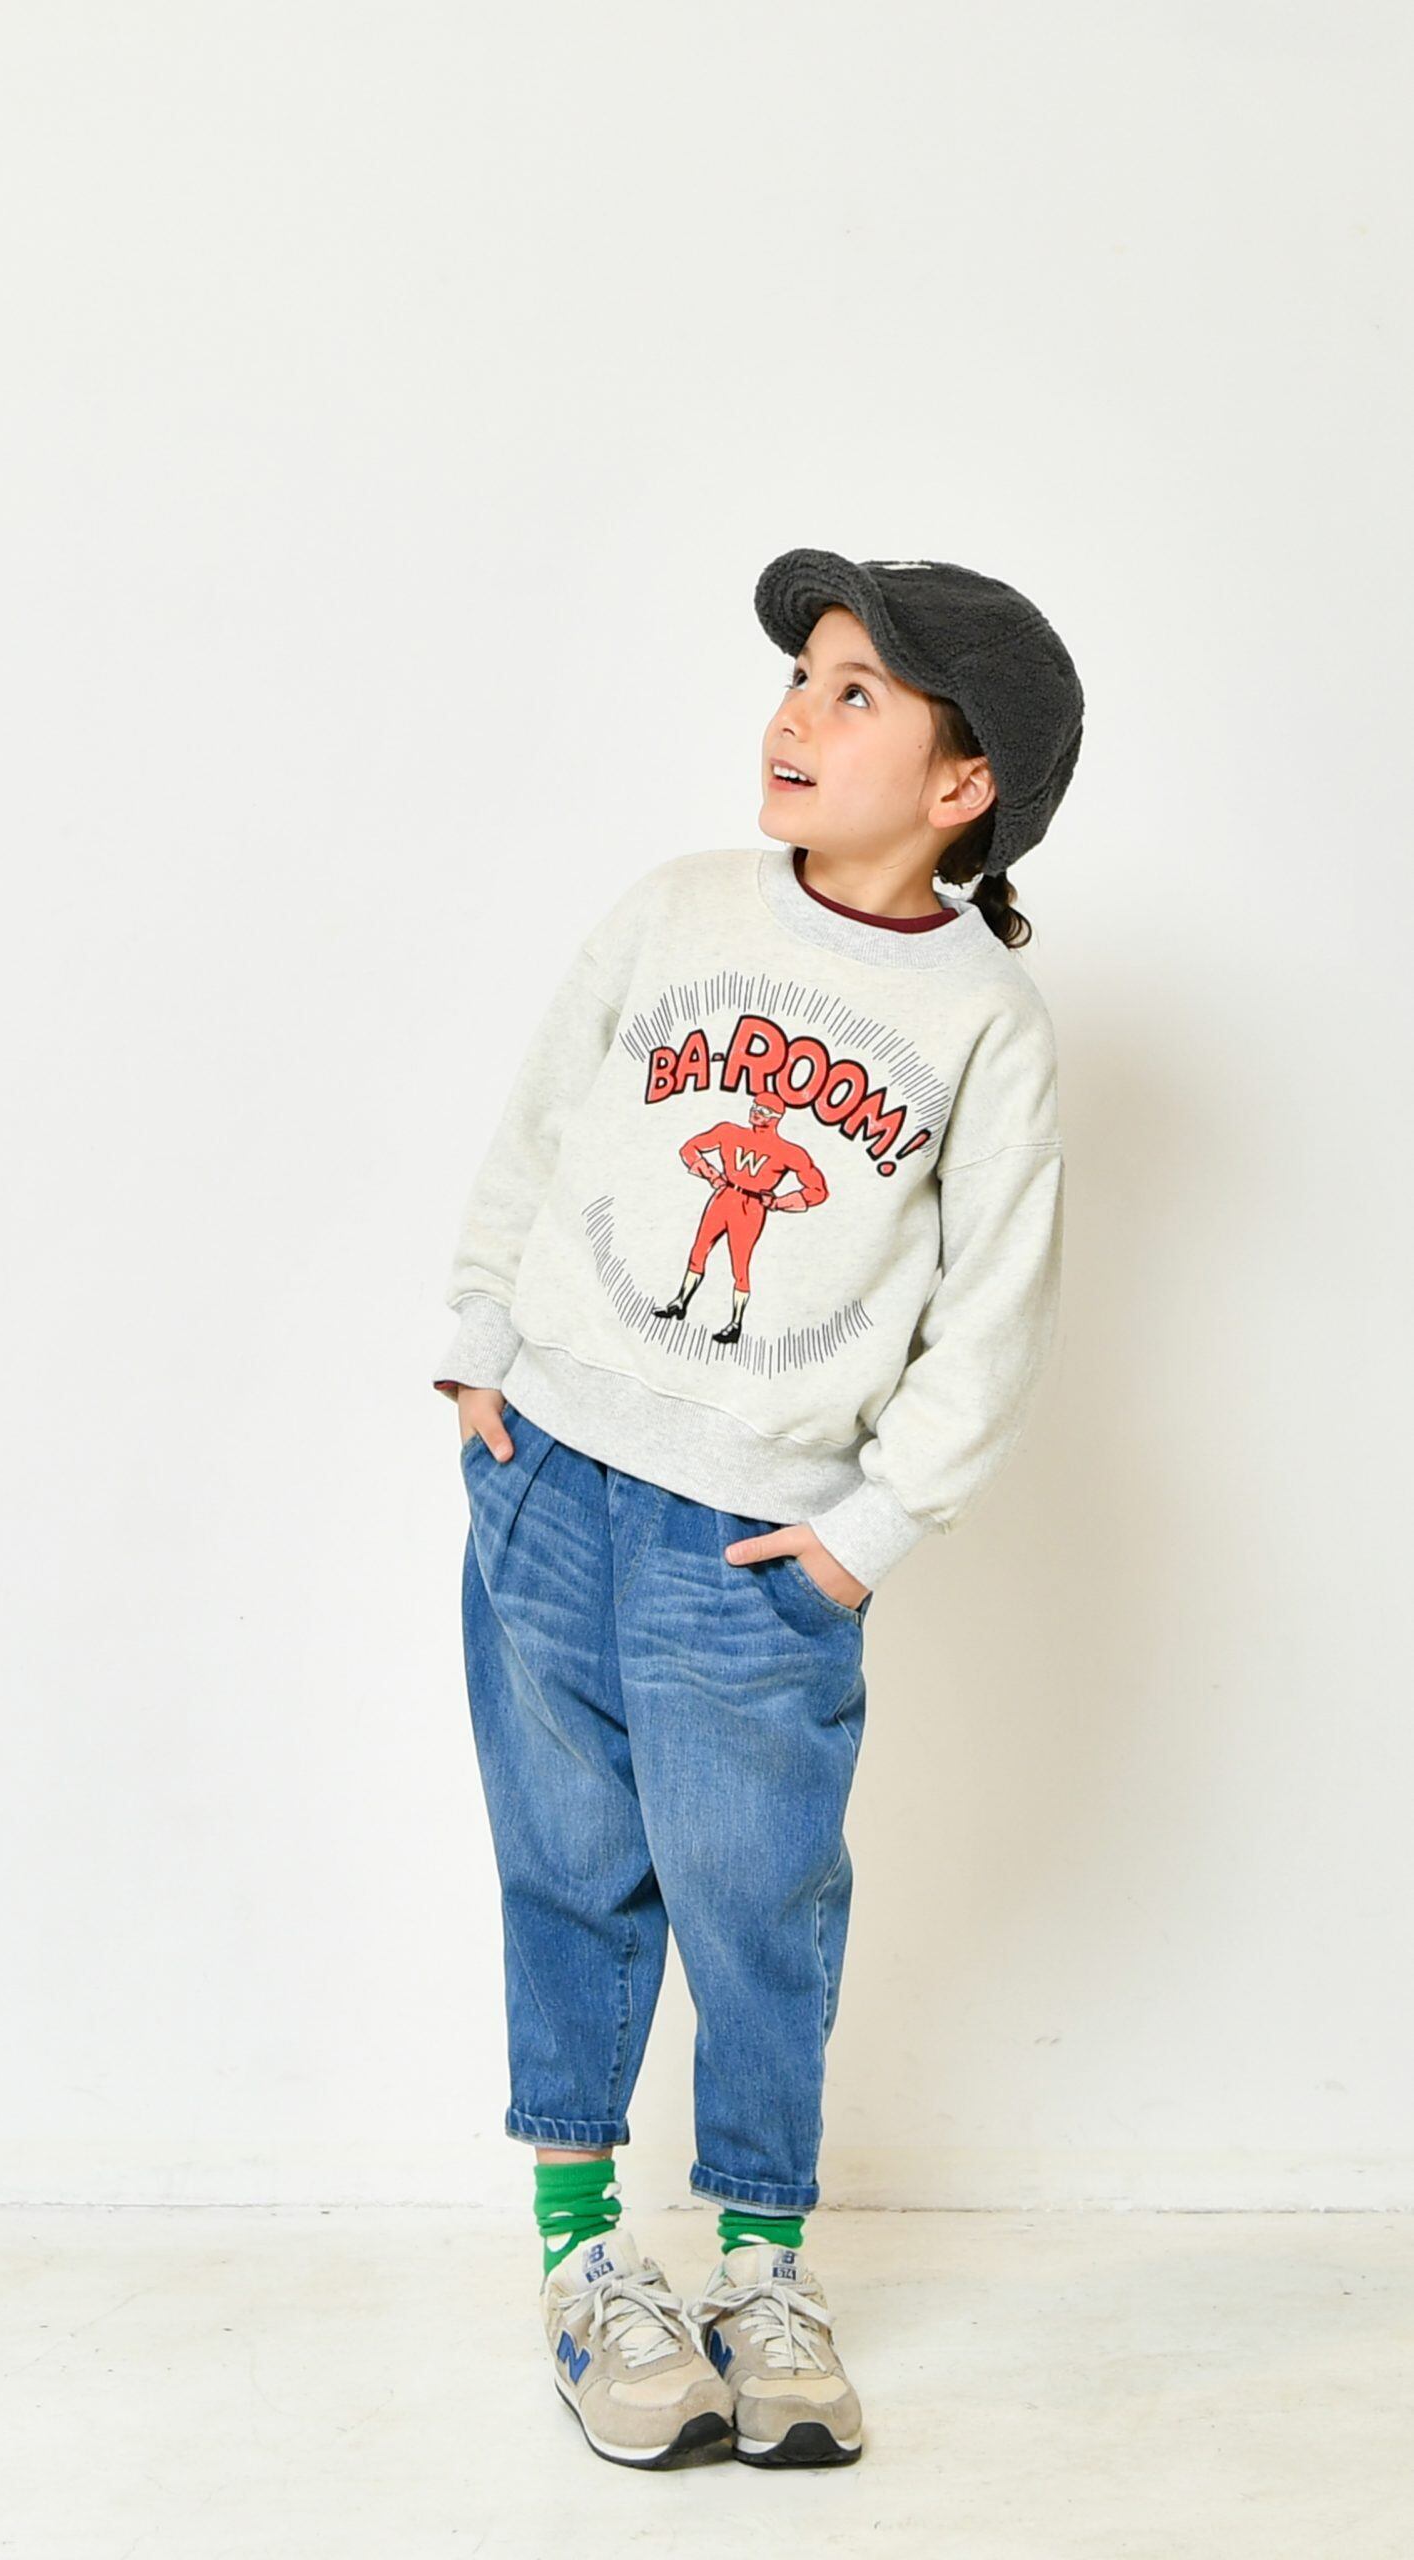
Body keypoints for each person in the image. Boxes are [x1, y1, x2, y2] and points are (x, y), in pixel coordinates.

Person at [432, 548, 1084, 2471]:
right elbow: (543, 1124)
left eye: (856, 691)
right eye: (803, 674)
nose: (797, 711)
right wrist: (480, 1349)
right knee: (567, 1870)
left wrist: (871, 1533)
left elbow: (994, 1310)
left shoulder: (983, 1022)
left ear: (964, 782)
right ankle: (582, 2256)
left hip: (751, 1555)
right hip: (549, 1480)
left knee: (756, 1906)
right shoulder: (678, 909)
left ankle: (761, 2271)